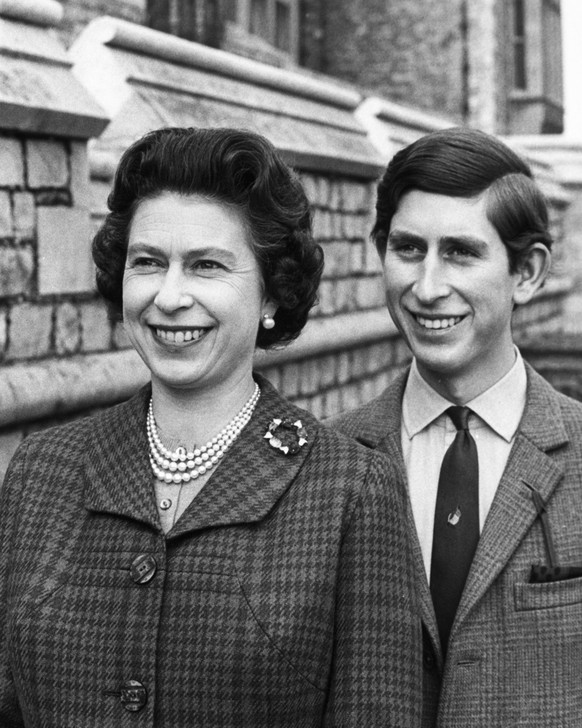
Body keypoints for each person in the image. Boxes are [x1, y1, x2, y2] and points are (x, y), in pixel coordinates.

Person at [0, 127, 421, 727]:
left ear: (272, 292)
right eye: (148, 263)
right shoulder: (42, 471)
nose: (170, 296)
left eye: (205, 266)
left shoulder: (350, 491)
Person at [330, 127, 582, 727]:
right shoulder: (327, 459)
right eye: (409, 249)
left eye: (461, 253)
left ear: (528, 273)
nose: (427, 288)